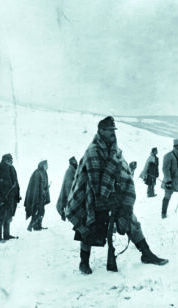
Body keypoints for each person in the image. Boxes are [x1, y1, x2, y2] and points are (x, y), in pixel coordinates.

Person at [66, 116, 168, 275]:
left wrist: (119, 192)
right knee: (89, 226)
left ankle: (146, 254)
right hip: (93, 196)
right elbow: (94, 180)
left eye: (114, 130)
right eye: (109, 130)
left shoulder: (115, 149)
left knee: (130, 220)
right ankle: (83, 262)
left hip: (114, 194)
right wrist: (104, 198)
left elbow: (120, 171)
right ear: (101, 131)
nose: (113, 133)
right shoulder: (93, 151)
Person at [0, 153, 21, 243]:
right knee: (0, 218)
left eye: (11, 159)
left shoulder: (12, 169)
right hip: (2, 199)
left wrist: (17, 195)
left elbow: (16, 183)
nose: (11, 161)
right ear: (4, 160)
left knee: (8, 217)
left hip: (11, 198)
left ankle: (7, 235)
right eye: (9, 159)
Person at [25, 160, 51, 231]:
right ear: (42, 165)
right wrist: (36, 198)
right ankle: (31, 226)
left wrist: (46, 188)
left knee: (41, 211)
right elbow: (35, 187)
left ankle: (38, 226)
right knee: (36, 211)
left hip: (42, 196)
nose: (47, 166)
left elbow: (43, 184)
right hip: (37, 196)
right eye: (46, 165)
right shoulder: (37, 173)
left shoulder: (44, 173)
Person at [57, 156, 78, 221]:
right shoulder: (69, 171)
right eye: (74, 161)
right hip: (70, 194)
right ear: (71, 162)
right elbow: (68, 186)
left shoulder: (74, 170)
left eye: (76, 160)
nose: (76, 162)